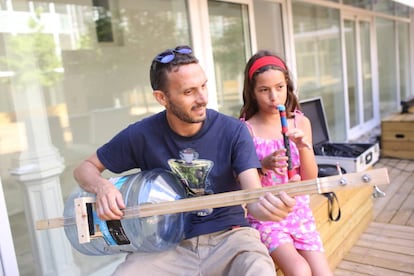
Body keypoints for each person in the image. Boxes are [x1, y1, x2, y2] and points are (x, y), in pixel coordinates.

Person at [73, 45, 297, 276]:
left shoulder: (234, 131)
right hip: (165, 245)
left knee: (259, 270)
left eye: (203, 86)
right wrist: (103, 188)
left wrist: (270, 207)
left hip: (230, 238)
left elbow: (254, 200)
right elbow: (84, 168)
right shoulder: (141, 134)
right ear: (162, 98)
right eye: (189, 92)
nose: (203, 99)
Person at [239, 50, 332, 276]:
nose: (274, 97)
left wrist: (303, 147)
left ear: (287, 86)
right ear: (252, 92)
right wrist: (263, 165)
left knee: (323, 273)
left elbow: (309, 179)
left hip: (300, 212)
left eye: (279, 87)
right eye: (264, 90)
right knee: (300, 270)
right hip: (267, 215)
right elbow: (242, 181)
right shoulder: (245, 129)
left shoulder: (300, 121)